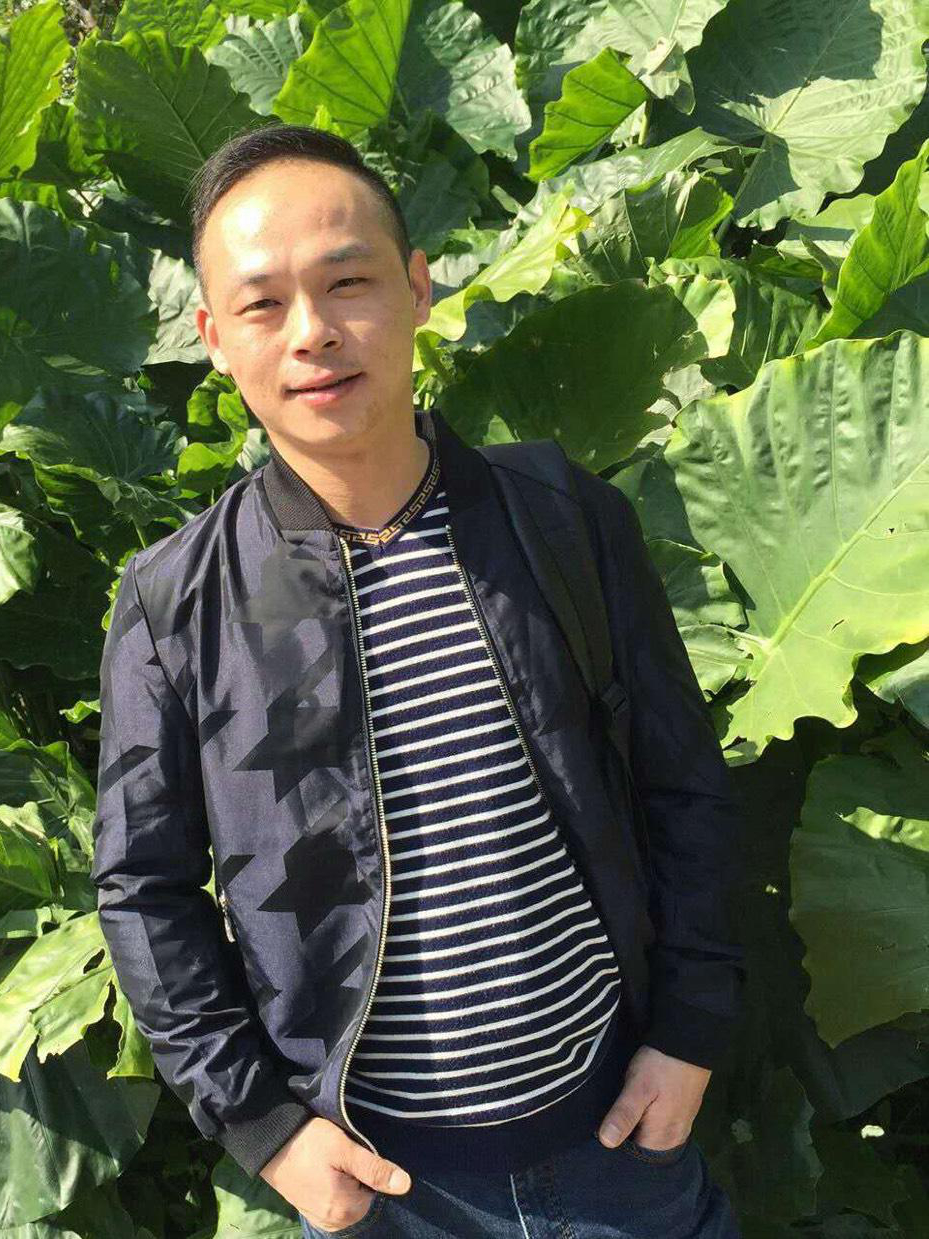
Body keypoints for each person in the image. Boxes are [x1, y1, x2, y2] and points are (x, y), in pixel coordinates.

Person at [91, 122, 746, 1238]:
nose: (312, 332)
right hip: (386, 1189)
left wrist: (688, 1034)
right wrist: (264, 1129)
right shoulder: (175, 603)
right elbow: (144, 891)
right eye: (262, 305)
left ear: (417, 287)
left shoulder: (561, 519)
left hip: (617, 1144)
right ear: (214, 339)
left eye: (347, 283)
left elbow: (681, 785)